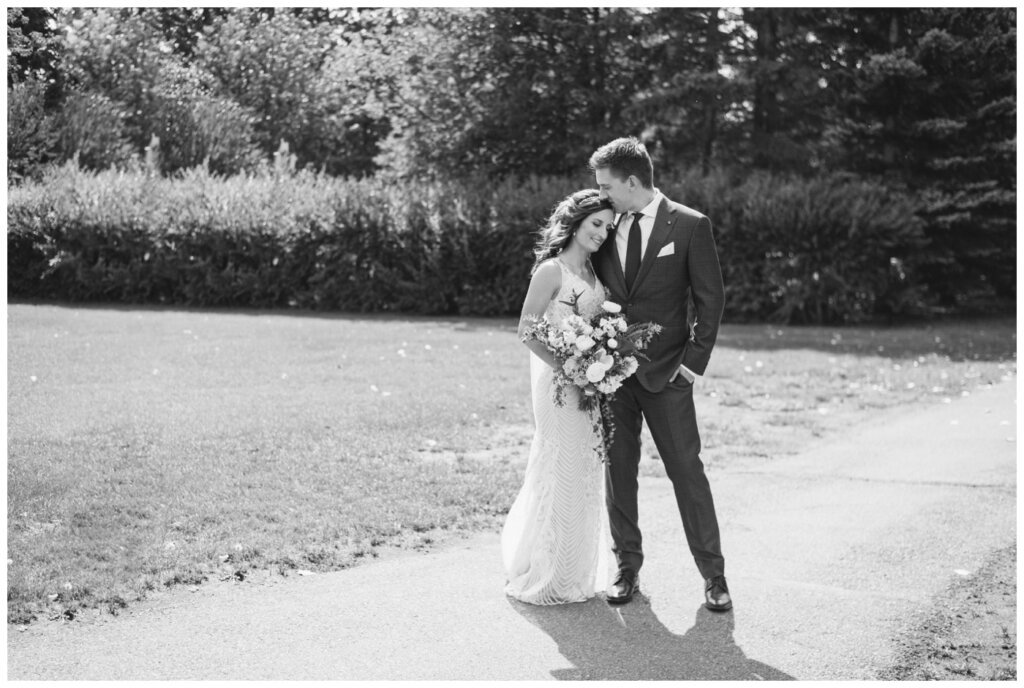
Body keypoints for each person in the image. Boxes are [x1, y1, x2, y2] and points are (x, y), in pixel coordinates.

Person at [588, 137, 731, 612]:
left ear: (632, 181)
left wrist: (691, 366)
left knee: (687, 472)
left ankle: (714, 576)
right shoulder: (605, 226)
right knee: (619, 472)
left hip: (669, 375)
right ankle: (626, 568)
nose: (600, 194)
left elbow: (710, 300)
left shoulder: (690, 225)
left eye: (606, 185)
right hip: (612, 377)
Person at [502, 189, 616, 604]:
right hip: (557, 385)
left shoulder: (594, 274)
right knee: (562, 468)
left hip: (589, 385)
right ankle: (551, 573)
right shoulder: (552, 270)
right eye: (596, 224)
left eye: (608, 227)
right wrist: (571, 367)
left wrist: (601, 364)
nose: (602, 233)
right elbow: (527, 330)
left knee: (584, 472)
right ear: (576, 223)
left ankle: (575, 569)